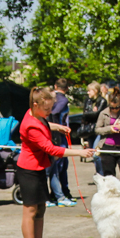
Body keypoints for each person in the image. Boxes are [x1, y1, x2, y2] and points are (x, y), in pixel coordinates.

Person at [17, 86, 93, 238]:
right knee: (30, 211)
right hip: (29, 170)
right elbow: (50, 149)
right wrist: (79, 153)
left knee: (41, 209)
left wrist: (57, 127)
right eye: (46, 109)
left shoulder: (35, 115)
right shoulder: (30, 125)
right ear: (35, 105)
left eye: (51, 108)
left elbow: (44, 123)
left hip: (40, 167)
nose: (49, 112)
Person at [47, 78, 74, 206]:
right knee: (58, 165)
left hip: (57, 134)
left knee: (58, 166)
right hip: (58, 136)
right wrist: (58, 128)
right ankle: (59, 194)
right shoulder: (62, 99)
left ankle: (59, 193)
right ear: (67, 88)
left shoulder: (54, 98)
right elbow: (55, 112)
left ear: (55, 85)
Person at [82, 82, 107, 175]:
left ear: (95, 91)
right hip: (89, 130)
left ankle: (101, 174)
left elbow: (98, 114)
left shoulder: (102, 101)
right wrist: (90, 113)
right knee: (93, 154)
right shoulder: (88, 101)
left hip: (98, 130)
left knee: (97, 154)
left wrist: (90, 113)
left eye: (89, 91)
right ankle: (98, 173)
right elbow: (84, 113)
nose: (88, 93)